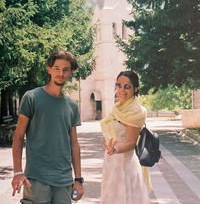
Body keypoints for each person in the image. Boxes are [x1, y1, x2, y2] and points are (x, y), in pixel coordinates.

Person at [12, 50, 84, 204]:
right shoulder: (31, 97)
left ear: (71, 72)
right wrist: (17, 172)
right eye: (57, 68)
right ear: (49, 69)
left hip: (64, 180)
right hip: (37, 178)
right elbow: (18, 136)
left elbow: (74, 144)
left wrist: (78, 179)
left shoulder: (72, 106)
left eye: (65, 69)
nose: (61, 73)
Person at [100, 70, 151, 204]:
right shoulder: (117, 108)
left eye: (127, 86)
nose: (122, 89)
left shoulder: (136, 111)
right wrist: (112, 151)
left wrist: (115, 150)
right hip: (112, 162)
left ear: (135, 88)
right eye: (119, 85)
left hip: (125, 165)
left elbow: (130, 142)